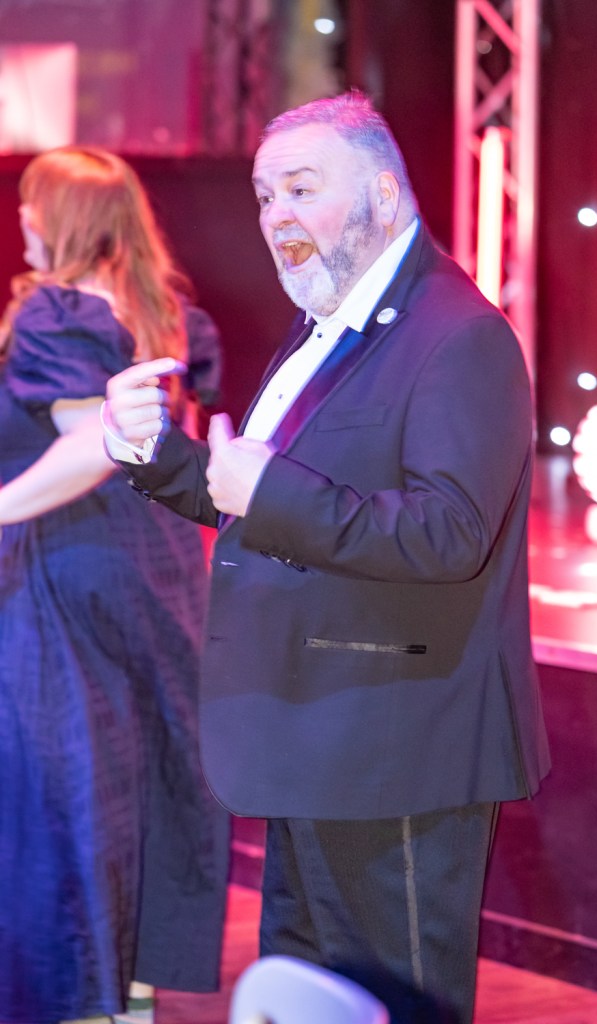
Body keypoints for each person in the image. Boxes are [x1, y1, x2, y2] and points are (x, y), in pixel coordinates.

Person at [103, 92, 550, 1024]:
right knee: (312, 1000)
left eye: (301, 189)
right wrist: (153, 453)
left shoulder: (457, 335)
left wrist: (267, 489)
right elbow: (257, 498)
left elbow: (446, 534)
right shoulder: (327, 327)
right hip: (315, 741)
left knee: (394, 1003)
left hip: (396, 751)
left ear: (383, 193)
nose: (276, 217)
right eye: (266, 197)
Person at [0, 146, 229, 1024]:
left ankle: (81, 990)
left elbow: (90, 445)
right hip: (162, 565)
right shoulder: (167, 312)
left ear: (64, 219)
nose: (22, 220)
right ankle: (127, 985)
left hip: (72, 562)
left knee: (70, 787)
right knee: (144, 773)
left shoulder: (54, 313)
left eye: (32, 205)